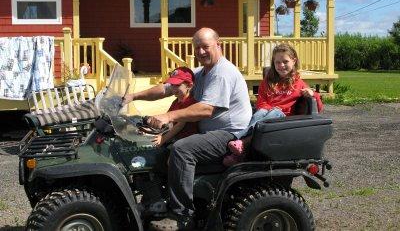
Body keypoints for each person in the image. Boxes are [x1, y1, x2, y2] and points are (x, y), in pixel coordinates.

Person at [123, 27, 252, 230]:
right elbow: (166, 88)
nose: (201, 52)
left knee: (182, 149)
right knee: (154, 147)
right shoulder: (202, 72)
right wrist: (133, 96)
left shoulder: (222, 72)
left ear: (218, 45)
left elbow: (207, 109)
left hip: (229, 132)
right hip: (206, 130)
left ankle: (182, 215)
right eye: (197, 47)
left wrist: (168, 116)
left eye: (205, 47)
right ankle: (155, 201)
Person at [223, 43, 324, 166]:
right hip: (267, 116)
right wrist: (268, 110)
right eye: (277, 62)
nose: (281, 65)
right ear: (273, 63)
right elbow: (261, 102)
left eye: (285, 61)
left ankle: (239, 140)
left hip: (284, 122)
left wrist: (313, 94)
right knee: (260, 112)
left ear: (294, 61)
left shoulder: (299, 84)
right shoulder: (268, 82)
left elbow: (317, 108)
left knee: (275, 112)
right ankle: (240, 149)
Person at [151, 66, 198, 147]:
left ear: (189, 86)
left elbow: (179, 126)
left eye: (177, 85)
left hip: (185, 141)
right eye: (172, 85)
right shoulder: (175, 102)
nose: (173, 88)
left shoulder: (190, 103)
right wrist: (151, 130)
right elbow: (169, 122)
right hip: (174, 137)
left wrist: (163, 139)